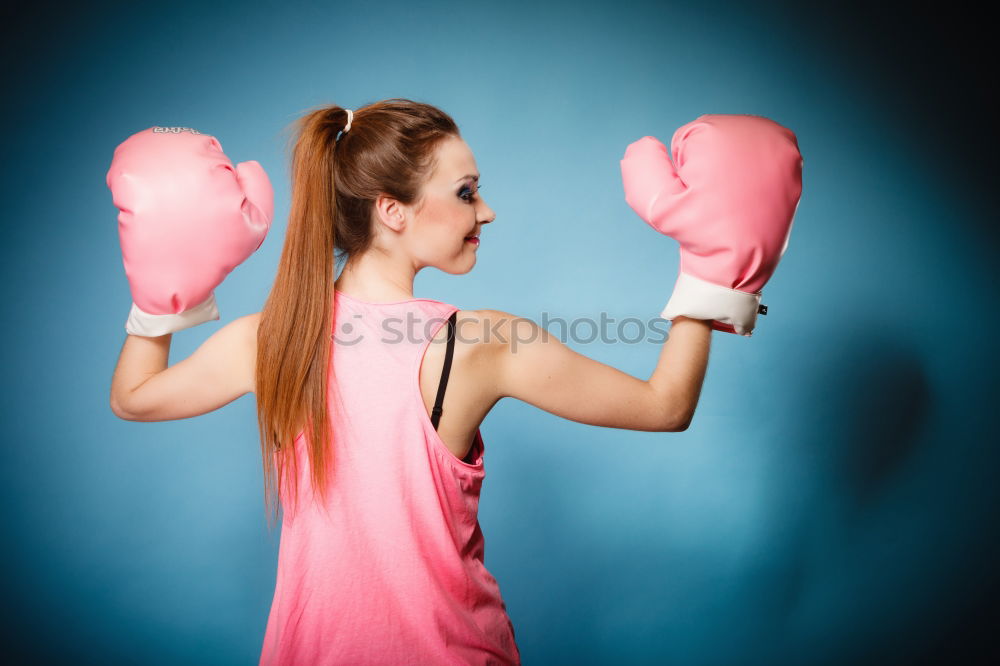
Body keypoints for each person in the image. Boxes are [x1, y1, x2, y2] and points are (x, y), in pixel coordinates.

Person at [110, 99, 720, 665]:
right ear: (392, 210)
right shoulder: (482, 342)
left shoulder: (270, 337)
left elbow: (134, 398)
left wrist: (162, 296)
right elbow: (664, 406)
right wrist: (712, 270)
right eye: (465, 192)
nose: (486, 211)